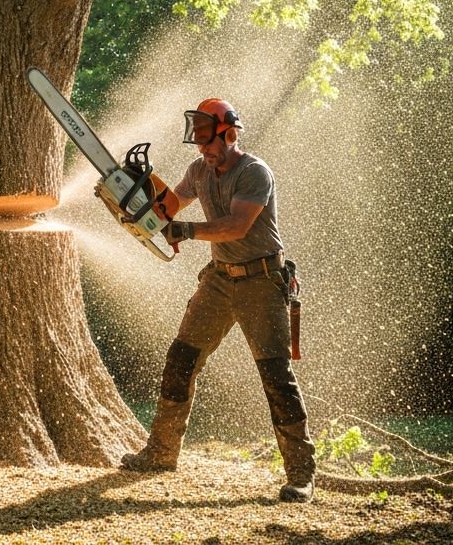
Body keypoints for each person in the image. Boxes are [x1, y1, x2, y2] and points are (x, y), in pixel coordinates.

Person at [120, 98, 316, 503]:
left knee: (276, 376)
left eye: (210, 143)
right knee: (181, 359)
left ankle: (301, 474)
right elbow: (167, 207)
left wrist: (187, 232)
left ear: (230, 134)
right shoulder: (198, 170)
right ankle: (161, 452)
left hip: (262, 280)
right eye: (199, 144)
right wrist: (135, 189)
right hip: (219, 280)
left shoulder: (254, 173)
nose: (204, 151)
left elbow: (236, 226)